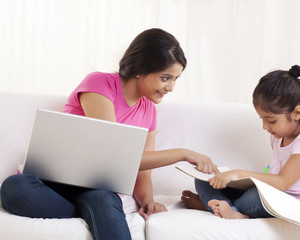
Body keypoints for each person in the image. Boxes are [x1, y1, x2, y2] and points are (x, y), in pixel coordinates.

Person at [1, 28, 218, 240]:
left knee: (104, 199)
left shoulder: (149, 111)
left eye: (175, 79)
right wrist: (183, 153)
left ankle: (91, 212)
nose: (171, 87)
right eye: (165, 78)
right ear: (142, 69)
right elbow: (112, 153)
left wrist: (147, 201)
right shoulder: (100, 83)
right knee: (14, 187)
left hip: (97, 189)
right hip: (51, 182)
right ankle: (88, 214)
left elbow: (143, 173)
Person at [181, 65, 300, 219]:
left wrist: (239, 173)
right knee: (206, 179)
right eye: (262, 119)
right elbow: (274, 180)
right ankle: (224, 207)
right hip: (276, 194)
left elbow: (284, 181)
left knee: (254, 197)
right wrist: (234, 180)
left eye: (271, 121)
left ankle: (220, 207)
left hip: (299, 205)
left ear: (297, 113)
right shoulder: (278, 135)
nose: (265, 127)